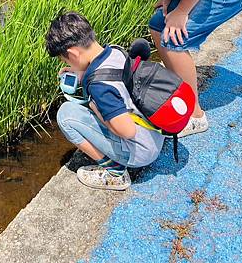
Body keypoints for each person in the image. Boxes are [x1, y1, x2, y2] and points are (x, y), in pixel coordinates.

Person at [75, 0, 242, 137]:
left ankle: (195, 117)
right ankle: (179, 88)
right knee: (158, 25)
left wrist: (181, 12)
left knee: (172, 39)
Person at [45, 11, 165, 190]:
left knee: (66, 115)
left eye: (64, 58)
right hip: (156, 133)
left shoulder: (99, 87)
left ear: (72, 53)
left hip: (141, 151)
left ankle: (115, 172)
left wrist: (96, 108)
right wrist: (80, 72)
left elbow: (127, 131)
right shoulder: (115, 52)